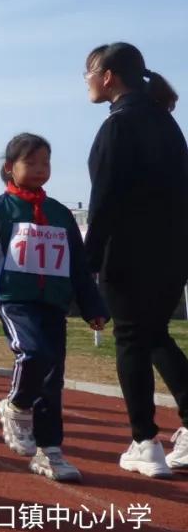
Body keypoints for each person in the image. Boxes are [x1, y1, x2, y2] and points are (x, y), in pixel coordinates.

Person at [0, 133, 109, 481]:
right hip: (15, 299)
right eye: (32, 162)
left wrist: (92, 307)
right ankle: (15, 405)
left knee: (52, 376)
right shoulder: (0, 209)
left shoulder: (60, 213)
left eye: (47, 162)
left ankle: (50, 450)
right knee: (32, 353)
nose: (41, 168)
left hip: (53, 302)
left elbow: (78, 264)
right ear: (10, 168)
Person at [84, 42, 188, 475]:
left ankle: (145, 441)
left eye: (89, 72)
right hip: (173, 254)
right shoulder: (168, 125)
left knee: (131, 339)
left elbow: (104, 200)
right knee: (155, 336)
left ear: (108, 76)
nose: (86, 80)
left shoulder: (118, 126)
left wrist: (88, 260)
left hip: (126, 254)